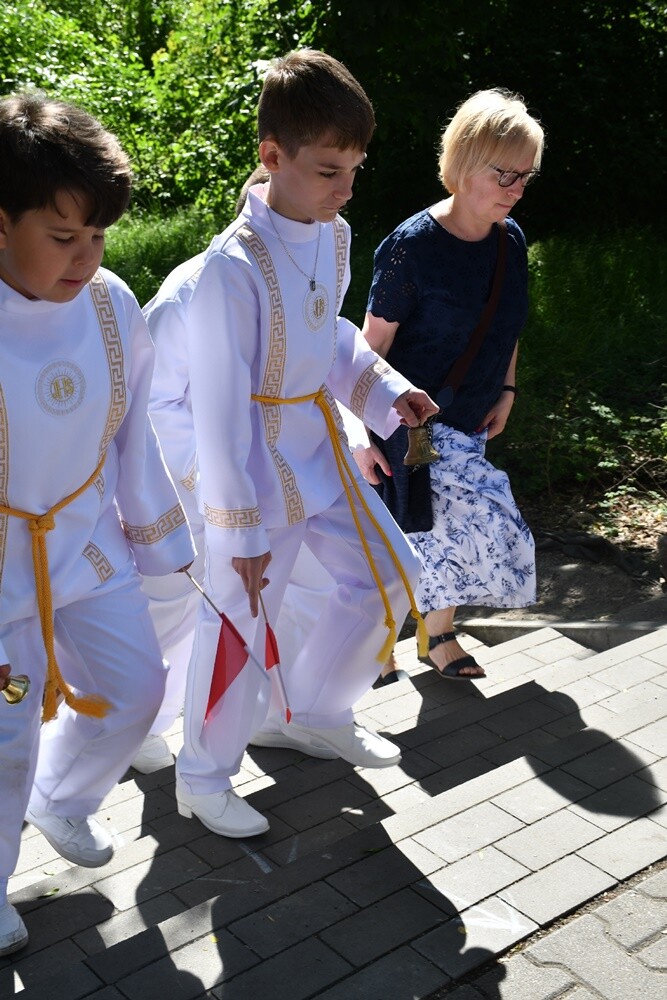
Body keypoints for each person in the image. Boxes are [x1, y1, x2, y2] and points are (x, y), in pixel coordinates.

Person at [176, 48, 438, 839]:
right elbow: (219, 414)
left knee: (393, 576)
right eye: (328, 169)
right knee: (238, 618)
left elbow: (330, 340)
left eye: (354, 167)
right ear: (271, 156)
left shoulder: (335, 232)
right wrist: (238, 526)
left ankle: (314, 711)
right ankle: (201, 775)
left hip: (319, 448)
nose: (345, 187)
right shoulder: (229, 270)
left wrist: (386, 391)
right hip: (253, 467)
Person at [0, 93, 195, 956]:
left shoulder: (112, 305)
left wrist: (160, 546)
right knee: (3, 736)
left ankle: (64, 797)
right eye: (62, 236)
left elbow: (131, 429)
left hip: (81, 541)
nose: (86, 260)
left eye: (99, 238)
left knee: (136, 688)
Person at [134, 165, 341, 773]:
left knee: (306, 592)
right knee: (176, 614)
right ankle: (143, 725)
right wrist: (205, 478)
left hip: (267, 488)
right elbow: (151, 401)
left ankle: (274, 716)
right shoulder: (193, 288)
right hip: (189, 486)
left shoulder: (289, 288)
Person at [356, 88, 543, 682]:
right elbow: (367, 351)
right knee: (406, 536)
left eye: (526, 177)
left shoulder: (509, 240)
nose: (516, 190)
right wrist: (357, 436)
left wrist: (507, 393)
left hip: (473, 420)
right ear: (463, 163)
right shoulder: (413, 249)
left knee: (453, 535)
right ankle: (373, 644)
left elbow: (508, 324)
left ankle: (436, 641)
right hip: (408, 428)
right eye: (505, 174)